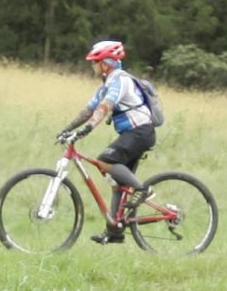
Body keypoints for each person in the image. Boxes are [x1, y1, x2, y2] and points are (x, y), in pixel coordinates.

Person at [60, 38, 157, 244]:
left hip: (140, 132)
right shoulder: (106, 84)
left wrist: (85, 131)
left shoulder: (120, 80)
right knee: (117, 184)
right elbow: (89, 110)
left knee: (105, 160)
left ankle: (143, 190)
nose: (92, 66)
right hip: (131, 134)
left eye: (95, 62)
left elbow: (104, 107)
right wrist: (67, 129)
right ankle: (115, 232)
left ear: (106, 63)